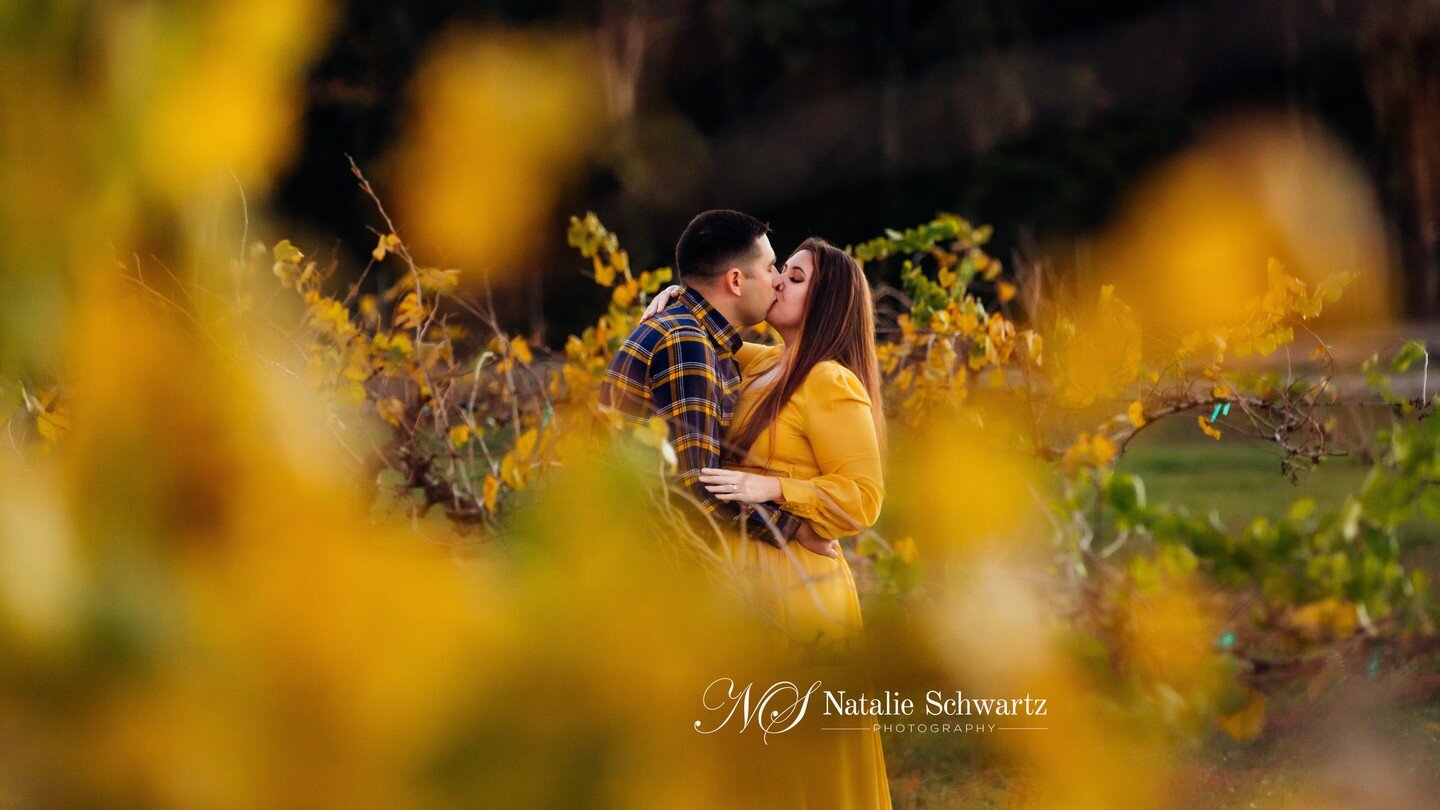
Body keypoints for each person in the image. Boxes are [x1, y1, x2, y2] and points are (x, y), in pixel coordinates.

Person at [642, 236, 892, 810]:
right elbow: (700, 342)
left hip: (797, 586)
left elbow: (863, 499)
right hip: (744, 577)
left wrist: (775, 487)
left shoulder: (830, 381)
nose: (777, 280)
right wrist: (677, 302)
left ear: (826, 303)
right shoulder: (760, 362)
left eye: (795, 278)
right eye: (780, 270)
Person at [598, 209, 832, 555]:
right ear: (735, 281)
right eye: (770, 268)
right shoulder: (687, 342)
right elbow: (694, 491)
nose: (776, 281)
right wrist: (793, 528)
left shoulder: (690, 331)